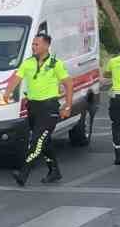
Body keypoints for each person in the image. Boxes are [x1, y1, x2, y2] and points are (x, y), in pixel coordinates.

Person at [5, 28, 72, 186]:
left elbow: (68, 84)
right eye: (33, 44)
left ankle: (23, 173)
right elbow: (16, 78)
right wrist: (7, 92)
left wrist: (67, 106)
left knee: (36, 142)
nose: (33, 47)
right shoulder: (28, 62)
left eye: (36, 44)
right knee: (44, 141)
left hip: (49, 108)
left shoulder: (55, 63)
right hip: (33, 107)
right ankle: (54, 171)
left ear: (46, 45)